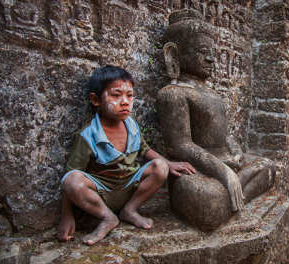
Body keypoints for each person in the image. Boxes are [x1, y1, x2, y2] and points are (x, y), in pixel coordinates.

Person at [157, 9, 275, 230]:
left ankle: (231, 197)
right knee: (207, 201)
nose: (211, 58)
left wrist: (237, 153)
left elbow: (226, 134)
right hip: (196, 170)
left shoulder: (213, 95)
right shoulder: (173, 93)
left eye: (212, 52)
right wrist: (223, 171)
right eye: (203, 51)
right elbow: (180, 145)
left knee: (268, 166)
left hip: (226, 162)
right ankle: (231, 196)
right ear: (174, 55)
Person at [57, 65, 195, 245]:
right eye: (116, 95)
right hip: (101, 194)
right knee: (72, 180)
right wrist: (67, 216)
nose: (125, 101)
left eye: (129, 95)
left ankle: (129, 210)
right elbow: (71, 175)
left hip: (130, 187)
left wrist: (169, 163)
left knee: (160, 166)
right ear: (96, 100)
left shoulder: (132, 126)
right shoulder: (89, 135)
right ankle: (108, 218)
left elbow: (145, 150)